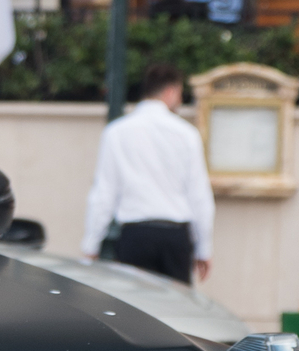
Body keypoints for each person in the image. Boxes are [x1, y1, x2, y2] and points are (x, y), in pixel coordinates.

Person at [81, 64, 213, 283]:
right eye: (179, 94)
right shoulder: (187, 134)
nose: (179, 101)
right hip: (175, 237)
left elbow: (104, 193)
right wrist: (204, 248)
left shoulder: (116, 132)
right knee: (175, 311)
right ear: (170, 92)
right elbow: (199, 195)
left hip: (135, 236)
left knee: (135, 311)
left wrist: (90, 246)